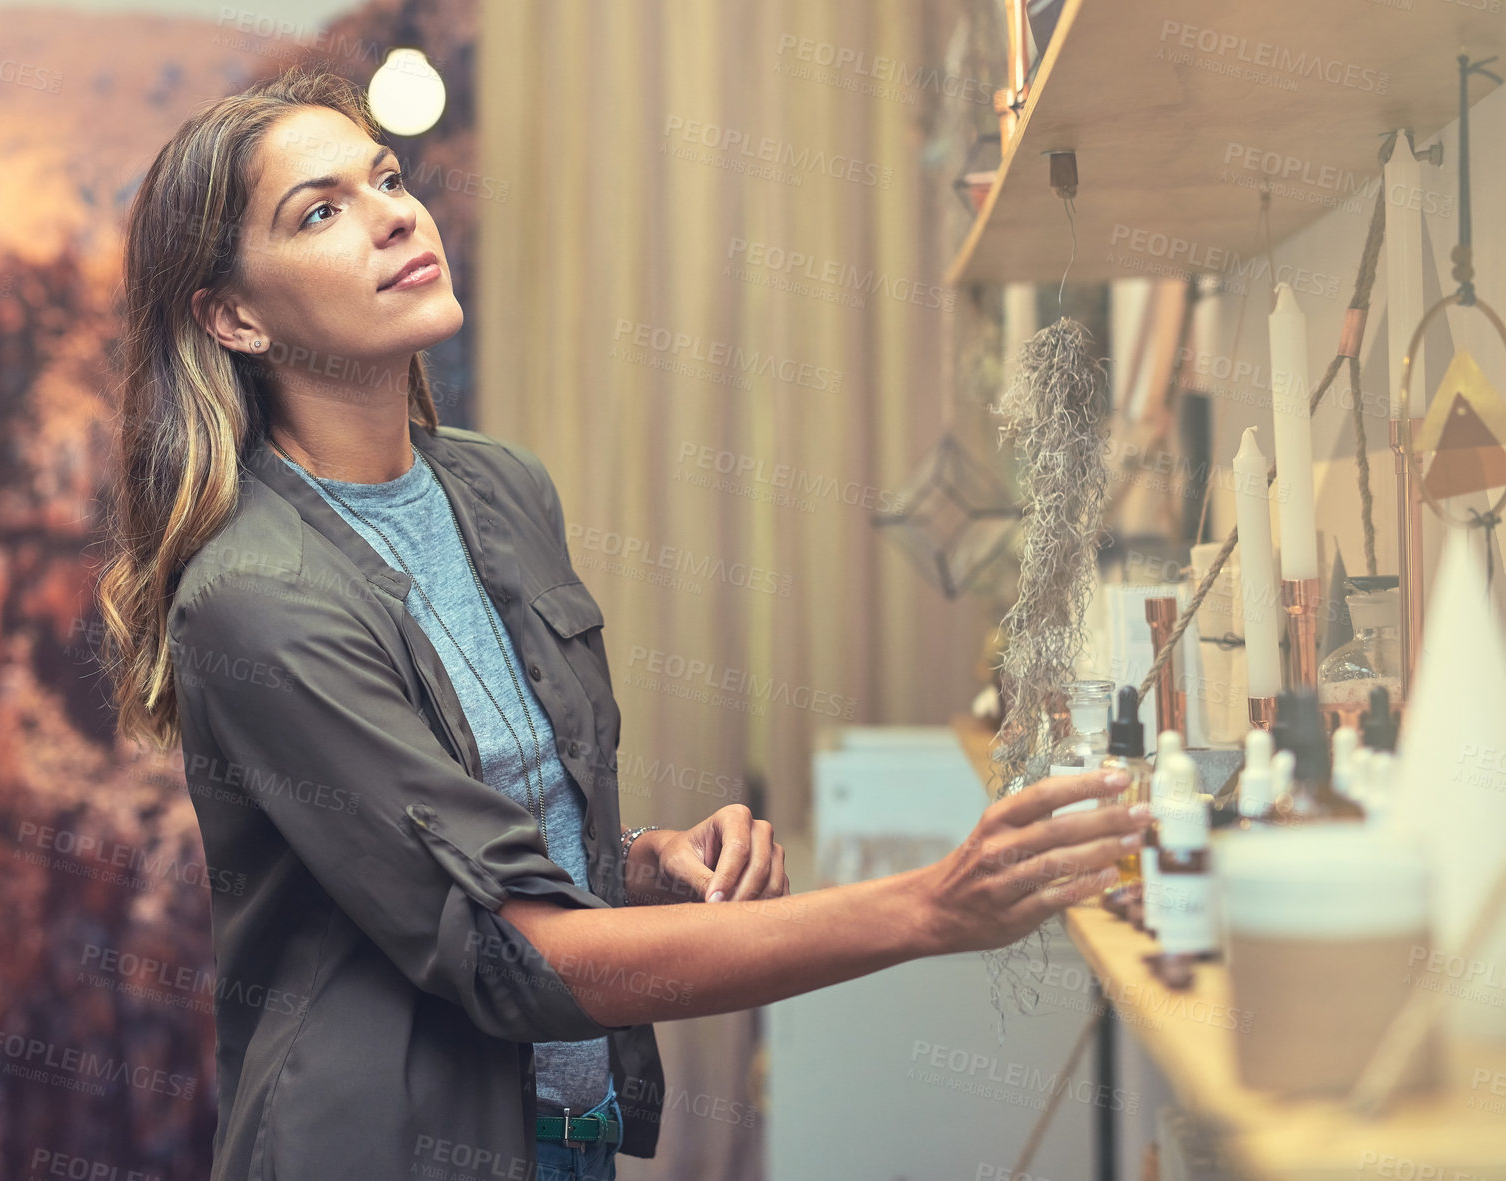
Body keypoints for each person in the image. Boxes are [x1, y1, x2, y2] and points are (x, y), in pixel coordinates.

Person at [96, 63, 1150, 1181]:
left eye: (387, 177)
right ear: (234, 315)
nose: (396, 213)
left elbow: (505, 845)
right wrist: (928, 907)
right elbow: (508, 952)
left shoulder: (500, 489)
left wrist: (641, 862)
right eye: (320, 210)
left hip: (572, 1135)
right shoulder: (257, 593)